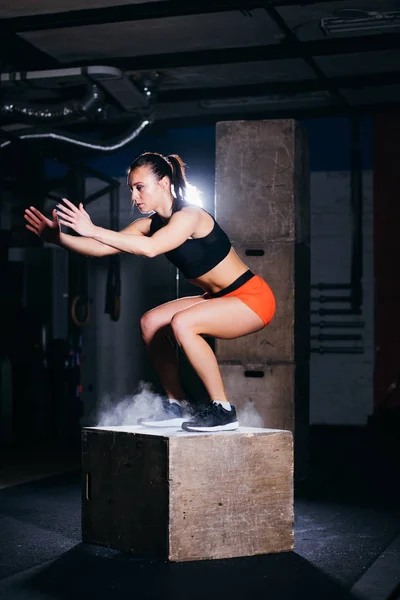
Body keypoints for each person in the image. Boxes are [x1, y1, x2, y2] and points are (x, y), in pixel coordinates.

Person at [24, 152, 276, 432]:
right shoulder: (149, 224)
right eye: (131, 188)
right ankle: (176, 404)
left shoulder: (191, 216)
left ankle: (223, 410)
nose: (134, 196)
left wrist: (92, 229)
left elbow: (151, 248)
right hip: (218, 299)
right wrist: (57, 238)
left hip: (252, 298)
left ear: (165, 183)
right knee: (151, 322)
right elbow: (101, 249)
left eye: (140, 187)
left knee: (183, 323)